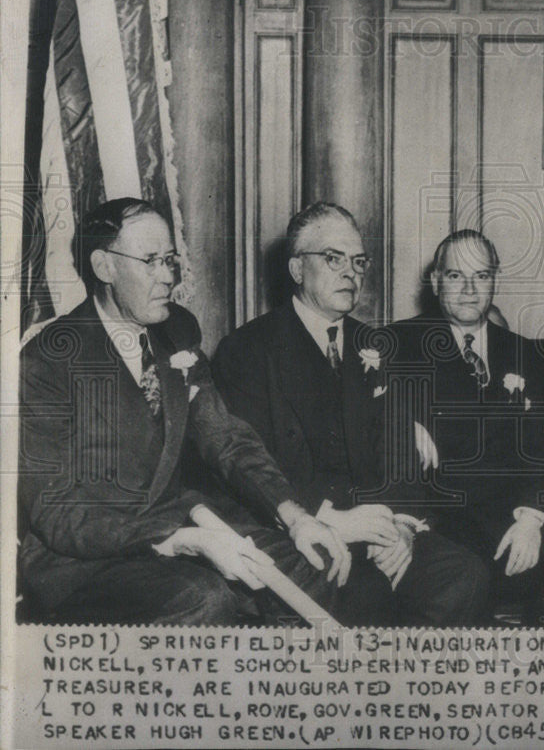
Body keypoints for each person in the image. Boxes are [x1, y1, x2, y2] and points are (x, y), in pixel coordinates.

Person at [18, 198, 352, 626]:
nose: (168, 278)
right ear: (104, 267)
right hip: (86, 558)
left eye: (171, 260)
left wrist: (295, 515)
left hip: (184, 519)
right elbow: (58, 510)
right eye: (151, 261)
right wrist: (180, 539)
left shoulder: (177, 329)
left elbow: (225, 437)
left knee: (310, 564)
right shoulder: (45, 361)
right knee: (201, 598)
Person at [212, 203, 489, 627]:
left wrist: (401, 527)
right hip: (305, 527)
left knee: (463, 576)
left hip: (381, 529)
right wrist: (331, 519)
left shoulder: (377, 345)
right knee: (364, 596)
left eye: (358, 261)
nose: (351, 273)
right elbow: (254, 469)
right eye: (333, 258)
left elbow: (401, 452)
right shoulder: (248, 350)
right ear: (296, 268)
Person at [386, 230, 544, 614]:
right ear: (436, 280)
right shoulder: (399, 343)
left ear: (495, 280)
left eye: (483, 276)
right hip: (443, 516)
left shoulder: (520, 350)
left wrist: (531, 518)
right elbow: (364, 419)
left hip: (511, 513)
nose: (471, 289)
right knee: (470, 577)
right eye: (457, 276)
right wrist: (400, 422)